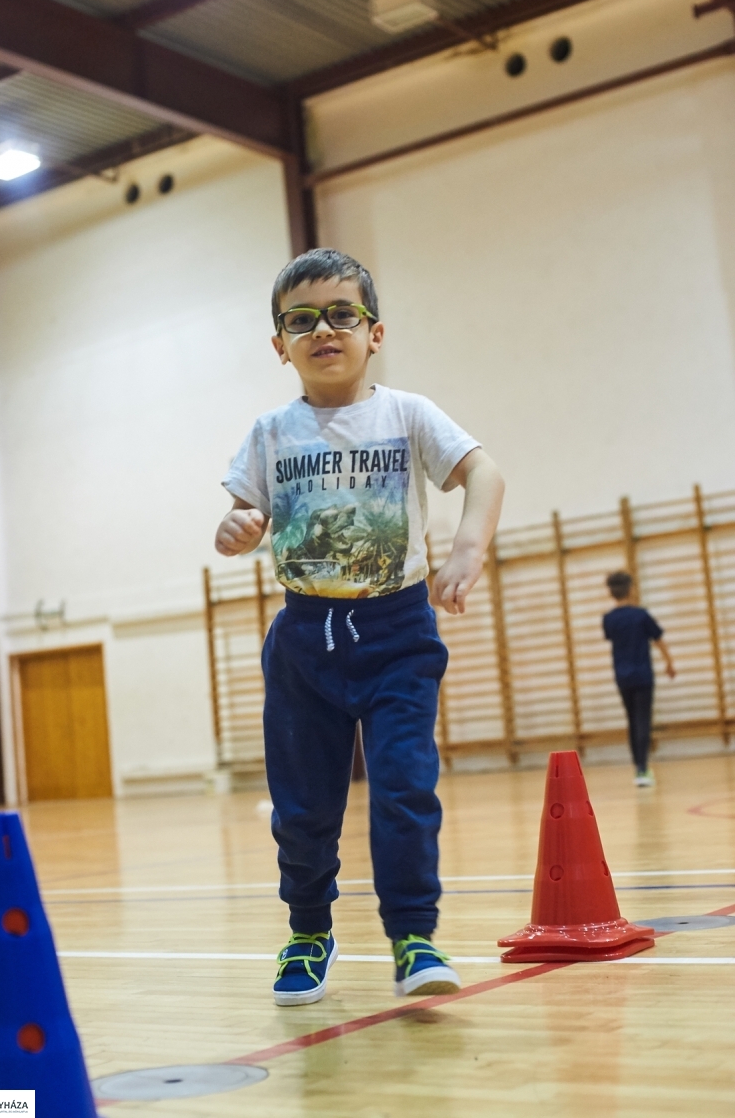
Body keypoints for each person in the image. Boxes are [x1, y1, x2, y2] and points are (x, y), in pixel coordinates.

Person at [215, 248, 504, 1006]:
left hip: (397, 633)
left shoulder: (407, 413)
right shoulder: (270, 432)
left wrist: (467, 550)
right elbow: (243, 512)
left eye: (342, 313)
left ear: (374, 332)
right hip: (304, 641)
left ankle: (414, 935)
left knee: (404, 787)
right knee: (303, 808)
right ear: (280, 344)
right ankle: (309, 930)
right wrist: (237, 527)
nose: (323, 329)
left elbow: (484, 472)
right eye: (302, 320)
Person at [603, 570, 675, 787]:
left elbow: (612, 638)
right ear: (631, 589)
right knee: (642, 720)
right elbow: (658, 639)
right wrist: (669, 662)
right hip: (642, 675)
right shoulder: (641, 615)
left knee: (632, 720)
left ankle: (638, 767)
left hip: (622, 675)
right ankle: (643, 769)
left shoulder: (609, 619)